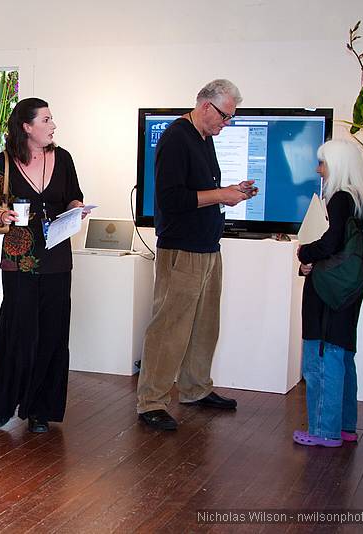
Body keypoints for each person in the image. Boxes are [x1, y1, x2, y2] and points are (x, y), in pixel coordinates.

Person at [135, 79, 257, 431]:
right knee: (169, 327)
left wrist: (231, 192)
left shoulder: (204, 138)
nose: (226, 123)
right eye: (224, 116)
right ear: (205, 106)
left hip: (207, 247)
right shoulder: (176, 137)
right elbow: (172, 200)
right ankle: (151, 402)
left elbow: (202, 189)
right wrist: (222, 195)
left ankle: (195, 389)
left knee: (205, 324)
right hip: (182, 248)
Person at [0, 97, 87, 433]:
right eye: (46, 120)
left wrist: (78, 208)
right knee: (18, 331)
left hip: (56, 255)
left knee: (53, 333)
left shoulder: (63, 158)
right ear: (27, 126)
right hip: (19, 258)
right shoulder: (3, 162)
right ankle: (5, 402)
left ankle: (41, 409)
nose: (53, 125)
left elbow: (73, 195)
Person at [293, 139, 363, 447]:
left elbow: (327, 244)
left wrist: (304, 254)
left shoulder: (339, 198)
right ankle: (345, 426)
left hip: (327, 293)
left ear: (337, 165)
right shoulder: (360, 200)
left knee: (321, 358)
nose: (319, 169)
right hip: (348, 291)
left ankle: (323, 431)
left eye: (323, 163)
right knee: (342, 356)